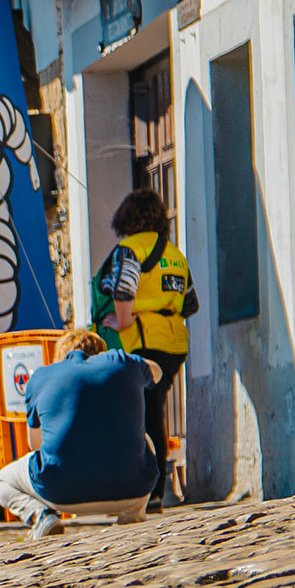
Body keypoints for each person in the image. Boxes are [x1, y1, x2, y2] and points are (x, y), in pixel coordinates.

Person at [0, 327, 162, 536]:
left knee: (1, 481)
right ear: (101, 352)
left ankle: (40, 516)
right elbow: (157, 372)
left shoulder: (40, 377)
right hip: (131, 489)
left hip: (61, 494)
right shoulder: (121, 362)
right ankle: (133, 514)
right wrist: (131, 365)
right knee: (145, 440)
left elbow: (36, 444)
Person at [94, 186, 193, 467]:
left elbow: (124, 289)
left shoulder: (130, 249)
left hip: (144, 341)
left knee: (147, 416)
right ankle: (154, 480)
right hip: (174, 343)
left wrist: (123, 320)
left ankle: (153, 483)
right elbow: (190, 303)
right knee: (153, 410)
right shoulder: (175, 254)